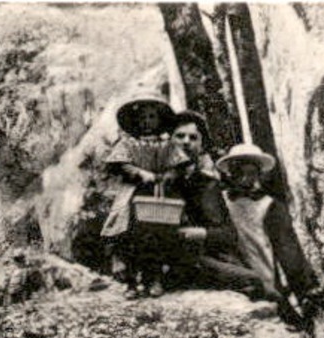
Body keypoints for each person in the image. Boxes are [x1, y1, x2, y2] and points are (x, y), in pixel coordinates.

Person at [102, 99, 249, 298]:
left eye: (193, 137)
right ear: (169, 139)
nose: (186, 142)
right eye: (179, 136)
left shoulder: (205, 184)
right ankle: (137, 280)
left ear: (202, 144)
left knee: (250, 280)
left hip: (195, 256)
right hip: (151, 231)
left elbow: (226, 234)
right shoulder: (139, 165)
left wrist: (191, 233)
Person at [215, 142, 319, 321]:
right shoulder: (219, 201)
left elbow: (289, 251)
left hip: (264, 278)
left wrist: (304, 288)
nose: (244, 179)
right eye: (239, 172)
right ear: (230, 173)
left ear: (258, 174)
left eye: (251, 173)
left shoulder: (269, 206)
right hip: (230, 276)